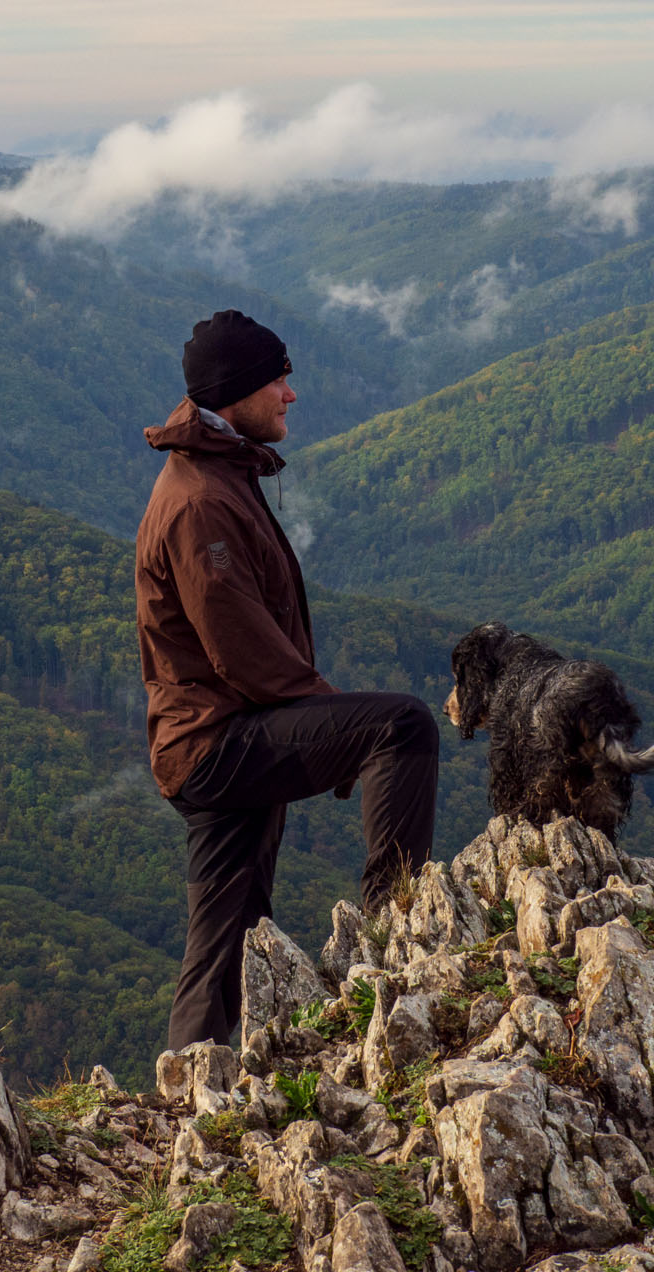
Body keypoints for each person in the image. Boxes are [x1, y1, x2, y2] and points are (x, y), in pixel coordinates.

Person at [136, 309, 440, 1053]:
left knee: (228, 938)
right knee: (400, 727)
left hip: (201, 741)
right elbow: (244, 653)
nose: (290, 393)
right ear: (238, 389)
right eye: (278, 377)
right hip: (221, 740)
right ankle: (391, 932)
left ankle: (189, 1084)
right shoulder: (202, 501)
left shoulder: (215, 472)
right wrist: (339, 728)